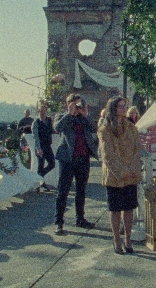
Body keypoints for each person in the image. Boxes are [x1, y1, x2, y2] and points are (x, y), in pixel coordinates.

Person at [98, 97, 143, 255]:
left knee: (129, 208)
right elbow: (107, 155)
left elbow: (138, 149)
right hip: (114, 175)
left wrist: (132, 168)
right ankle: (116, 239)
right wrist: (123, 171)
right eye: (121, 106)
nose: (124, 109)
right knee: (115, 209)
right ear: (113, 108)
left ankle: (128, 238)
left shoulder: (131, 127)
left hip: (131, 174)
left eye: (125, 106)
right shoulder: (105, 129)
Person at [53, 94, 98, 235]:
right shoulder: (62, 117)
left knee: (81, 190)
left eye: (79, 104)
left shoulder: (82, 117)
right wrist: (69, 114)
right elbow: (57, 128)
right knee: (63, 191)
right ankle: (59, 222)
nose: (77, 107)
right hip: (67, 159)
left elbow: (93, 129)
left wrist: (85, 114)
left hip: (83, 158)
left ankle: (80, 219)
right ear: (68, 105)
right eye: (74, 104)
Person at [32, 100, 55, 192]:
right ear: (39, 112)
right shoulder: (36, 122)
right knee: (40, 165)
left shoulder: (49, 120)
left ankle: (40, 176)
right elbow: (36, 136)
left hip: (47, 145)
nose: (43, 113)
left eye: (44, 111)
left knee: (52, 164)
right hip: (40, 146)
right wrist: (38, 149)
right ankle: (40, 184)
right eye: (41, 111)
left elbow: (51, 130)